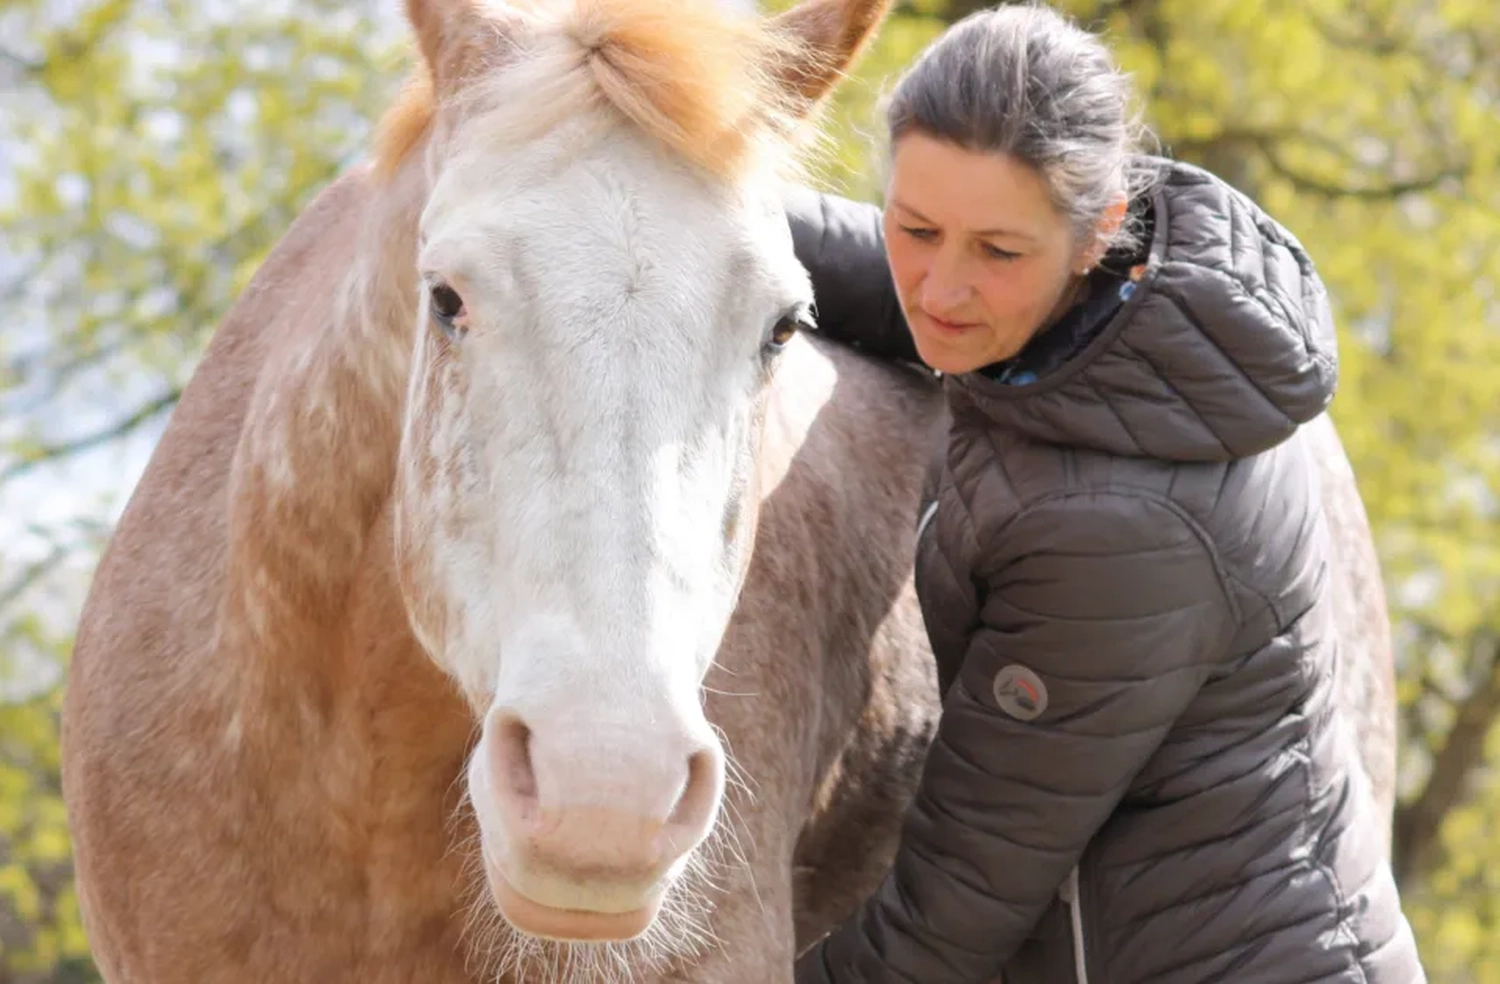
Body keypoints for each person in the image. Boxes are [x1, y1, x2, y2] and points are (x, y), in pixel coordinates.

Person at [781, 4, 1427, 983]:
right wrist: (682, 198)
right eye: (917, 227)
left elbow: (947, 919)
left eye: (997, 252)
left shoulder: (1119, 526)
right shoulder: (1131, 319)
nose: (941, 289)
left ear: (1098, 229)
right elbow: (899, 282)